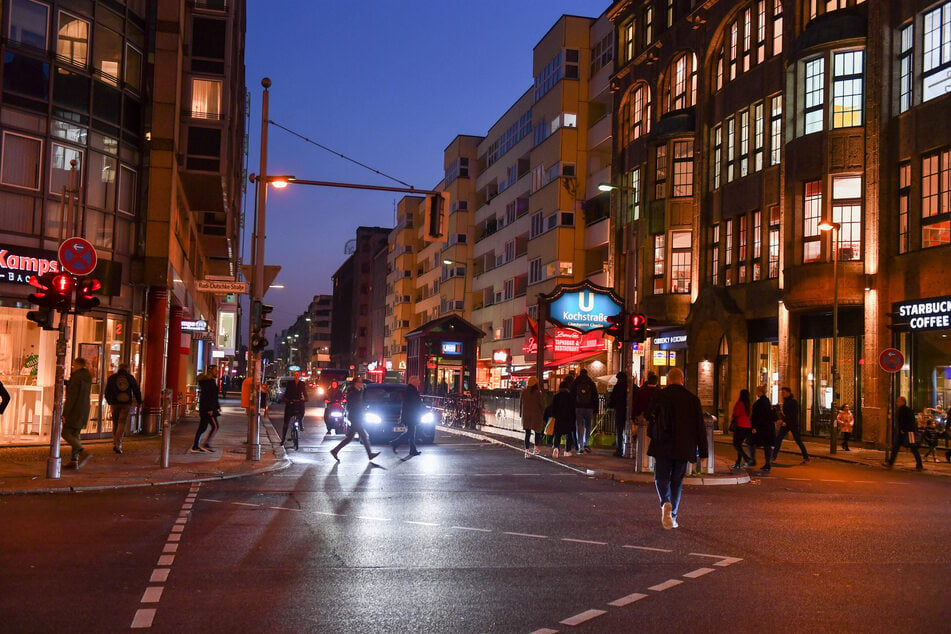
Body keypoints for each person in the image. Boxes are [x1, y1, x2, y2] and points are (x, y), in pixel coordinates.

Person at [646, 367, 707, 530]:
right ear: (682, 380)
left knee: (661, 477)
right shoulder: (692, 400)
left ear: (668, 380)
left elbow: (647, 414)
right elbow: (700, 427)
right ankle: (673, 516)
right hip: (683, 446)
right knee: (677, 481)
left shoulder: (660, 396)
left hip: (662, 444)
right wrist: (703, 451)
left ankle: (665, 502)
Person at [330, 376, 379, 461]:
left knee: (350, 438)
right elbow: (351, 406)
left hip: (357, 417)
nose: (361, 384)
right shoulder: (353, 393)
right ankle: (370, 454)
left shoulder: (358, 392)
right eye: (360, 382)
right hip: (355, 417)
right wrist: (357, 415)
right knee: (363, 436)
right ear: (356, 383)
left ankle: (335, 450)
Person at [103, 363, 142, 454]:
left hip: (115, 403)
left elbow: (107, 391)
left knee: (115, 422)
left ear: (119, 369)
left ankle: (114, 442)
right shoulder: (130, 378)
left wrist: (109, 401)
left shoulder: (112, 378)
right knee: (122, 422)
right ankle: (118, 443)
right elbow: (136, 390)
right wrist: (139, 402)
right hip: (126, 403)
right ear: (127, 369)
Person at [62, 357, 93, 469]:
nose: (73, 367)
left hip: (74, 410)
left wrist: (64, 413)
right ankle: (74, 461)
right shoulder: (87, 376)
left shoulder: (76, 377)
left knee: (65, 433)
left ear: (77, 365)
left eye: (74, 365)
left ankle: (82, 451)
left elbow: (72, 397)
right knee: (75, 434)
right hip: (84, 408)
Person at [884, 396, 923, 471]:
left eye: (898, 401)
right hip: (904, 432)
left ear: (903, 402)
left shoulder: (905, 410)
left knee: (913, 448)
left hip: (907, 432)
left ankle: (919, 464)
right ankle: (890, 462)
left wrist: (904, 429)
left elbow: (909, 421)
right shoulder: (902, 410)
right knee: (896, 447)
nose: (896, 403)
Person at [773, 387, 809, 464]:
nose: (783, 394)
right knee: (779, 438)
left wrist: (784, 420)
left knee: (798, 440)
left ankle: (806, 456)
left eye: (784, 392)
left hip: (792, 424)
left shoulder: (793, 402)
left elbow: (793, 415)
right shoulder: (785, 402)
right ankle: (773, 456)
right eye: (782, 393)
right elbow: (785, 414)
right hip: (786, 423)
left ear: (788, 393)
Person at [191, 365, 220, 453]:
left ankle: (197, 445)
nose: (217, 372)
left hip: (208, 408)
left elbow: (213, 397)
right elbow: (208, 397)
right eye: (215, 370)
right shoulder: (209, 382)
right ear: (211, 371)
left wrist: (217, 407)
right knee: (214, 426)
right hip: (208, 409)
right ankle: (203, 445)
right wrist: (210, 409)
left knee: (203, 427)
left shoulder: (209, 381)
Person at [392, 376, 423, 456]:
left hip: (409, 415)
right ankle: (395, 442)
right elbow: (415, 404)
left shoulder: (410, 390)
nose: (419, 382)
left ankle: (413, 450)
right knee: (410, 432)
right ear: (414, 382)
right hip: (411, 415)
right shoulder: (411, 391)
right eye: (418, 381)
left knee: (411, 433)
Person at [749, 385, 775, 472]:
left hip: (762, 428)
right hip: (768, 427)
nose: (756, 393)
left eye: (757, 391)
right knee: (766, 445)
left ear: (760, 392)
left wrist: (754, 426)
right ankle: (767, 463)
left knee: (752, 442)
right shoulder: (767, 401)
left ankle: (753, 460)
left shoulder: (760, 403)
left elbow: (758, 416)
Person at [571, 368, 598, 453]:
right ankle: (586, 443)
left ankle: (580, 446)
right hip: (589, 408)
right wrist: (596, 409)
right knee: (588, 426)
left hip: (578, 407)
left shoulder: (575, 382)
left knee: (579, 426)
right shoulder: (591, 383)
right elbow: (595, 396)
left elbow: (572, 395)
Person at [549, 380, 576, 458]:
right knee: (568, 435)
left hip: (558, 419)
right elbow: (573, 409)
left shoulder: (556, 396)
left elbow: (553, 409)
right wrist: (573, 419)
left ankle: (556, 448)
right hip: (568, 419)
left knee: (557, 434)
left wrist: (554, 416)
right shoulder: (570, 397)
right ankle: (567, 450)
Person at [520, 377, 546, 458]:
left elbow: (520, 403)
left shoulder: (524, 392)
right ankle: (536, 448)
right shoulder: (538, 393)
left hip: (526, 415)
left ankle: (527, 451)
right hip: (536, 415)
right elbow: (542, 405)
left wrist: (521, 414)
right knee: (537, 432)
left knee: (527, 434)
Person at [280, 371, 308, 444]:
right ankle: (283, 439)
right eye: (295, 375)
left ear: (299, 376)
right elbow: (286, 393)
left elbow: (304, 393)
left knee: (302, 410)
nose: (296, 376)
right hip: (291, 402)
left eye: (297, 375)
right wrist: (286, 399)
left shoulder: (302, 383)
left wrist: (306, 398)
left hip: (298, 402)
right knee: (286, 422)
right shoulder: (290, 383)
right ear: (293, 376)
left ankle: (300, 422)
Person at [730, 389, 753, 469]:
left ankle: (746, 458)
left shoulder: (739, 403)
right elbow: (750, 414)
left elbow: (736, 413)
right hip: (747, 426)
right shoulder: (749, 405)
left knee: (736, 444)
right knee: (739, 445)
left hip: (740, 425)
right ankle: (738, 463)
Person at [608, 372, 629, 457]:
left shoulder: (618, 386)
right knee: (627, 430)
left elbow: (613, 397)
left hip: (620, 410)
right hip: (628, 410)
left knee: (619, 430)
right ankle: (626, 448)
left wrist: (610, 405)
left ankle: (619, 449)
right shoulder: (630, 386)